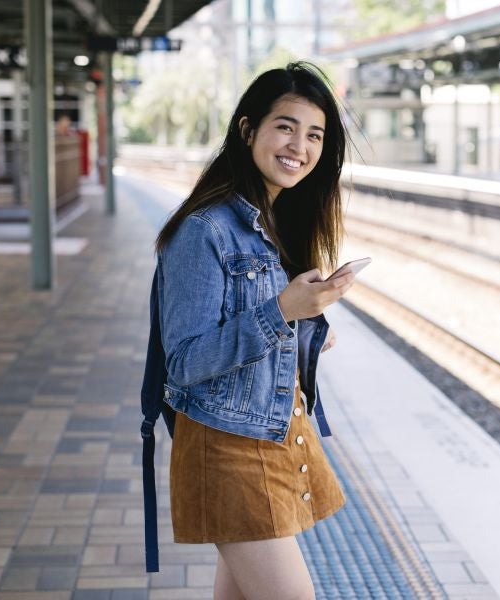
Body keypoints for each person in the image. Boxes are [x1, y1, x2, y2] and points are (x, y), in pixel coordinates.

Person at [151, 62, 354, 600]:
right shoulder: (205, 229)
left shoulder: (274, 221)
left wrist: (306, 327)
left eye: (315, 135)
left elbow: (258, 330)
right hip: (227, 447)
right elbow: (186, 362)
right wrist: (282, 312)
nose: (300, 146)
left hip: (275, 434)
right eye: (285, 126)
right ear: (248, 130)